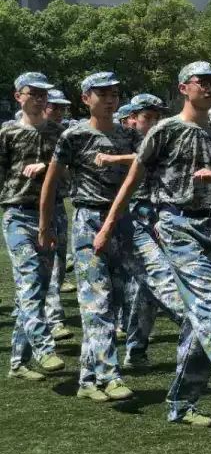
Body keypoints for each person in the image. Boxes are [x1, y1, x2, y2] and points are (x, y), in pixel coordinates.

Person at [98, 62, 211, 426]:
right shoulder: (165, 131)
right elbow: (132, 180)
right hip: (177, 224)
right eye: (203, 82)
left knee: (200, 317)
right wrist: (107, 227)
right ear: (184, 88)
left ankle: (182, 404)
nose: (210, 88)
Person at [39, 72, 139, 402]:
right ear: (86, 98)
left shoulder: (128, 135)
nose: (110, 99)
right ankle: (110, 375)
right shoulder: (74, 136)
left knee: (113, 300)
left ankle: (87, 379)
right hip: (88, 220)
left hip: (122, 221)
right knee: (97, 301)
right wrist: (45, 226)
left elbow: (146, 164)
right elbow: (51, 182)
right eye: (102, 94)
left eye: (114, 93)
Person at [1, 72, 66, 381]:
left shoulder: (59, 134)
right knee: (29, 281)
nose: (40, 99)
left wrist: (49, 168)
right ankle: (43, 346)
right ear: (19, 97)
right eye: (34, 93)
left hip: (51, 216)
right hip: (17, 214)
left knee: (37, 287)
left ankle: (17, 362)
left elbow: (73, 172)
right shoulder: (7, 133)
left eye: (44, 94)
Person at [119, 92, 186, 370]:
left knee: (144, 290)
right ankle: (201, 334)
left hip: (163, 218)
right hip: (132, 220)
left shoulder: (166, 141)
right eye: (148, 117)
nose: (154, 123)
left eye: (158, 117)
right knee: (160, 282)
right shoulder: (122, 141)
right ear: (132, 119)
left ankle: (136, 350)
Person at [42, 88, 75, 341]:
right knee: (47, 263)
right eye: (55, 107)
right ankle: (53, 318)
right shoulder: (21, 130)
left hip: (58, 203)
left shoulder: (64, 134)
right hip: (30, 207)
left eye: (62, 108)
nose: (59, 112)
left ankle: (44, 310)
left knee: (60, 259)